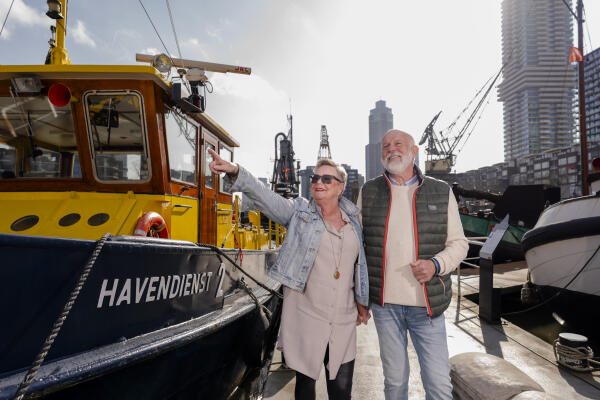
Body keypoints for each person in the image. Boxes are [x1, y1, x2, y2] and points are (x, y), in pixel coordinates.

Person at [208, 149, 369, 400]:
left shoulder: (354, 221)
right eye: (315, 178)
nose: (318, 182)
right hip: (307, 314)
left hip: (343, 317)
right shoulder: (300, 213)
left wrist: (363, 300)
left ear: (340, 187)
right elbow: (265, 197)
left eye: (327, 179)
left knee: (341, 391)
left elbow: (360, 266)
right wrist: (237, 171)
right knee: (305, 387)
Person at [356, 129, 468, 400]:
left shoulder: (440, 191)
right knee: (395, 383)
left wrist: (436, 265)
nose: (391, 149)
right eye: (385, 146)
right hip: (385, 307)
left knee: (439, 386)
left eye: (398, 144)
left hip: (427, 307)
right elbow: (357, 248)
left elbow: (459, 244)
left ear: (414, 151)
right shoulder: (369, 191)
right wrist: (360, 297)